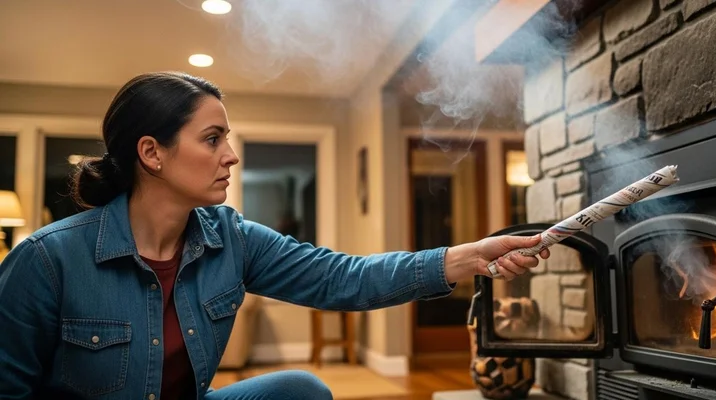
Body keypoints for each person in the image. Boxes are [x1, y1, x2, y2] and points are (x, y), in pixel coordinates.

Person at [0, 71, 549, 400]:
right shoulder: (48, 260)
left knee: (299, 390)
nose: (230, 156)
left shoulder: (232, 239)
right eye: (211, 139)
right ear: (152, 153)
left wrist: (466, 257)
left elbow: (343, 278)